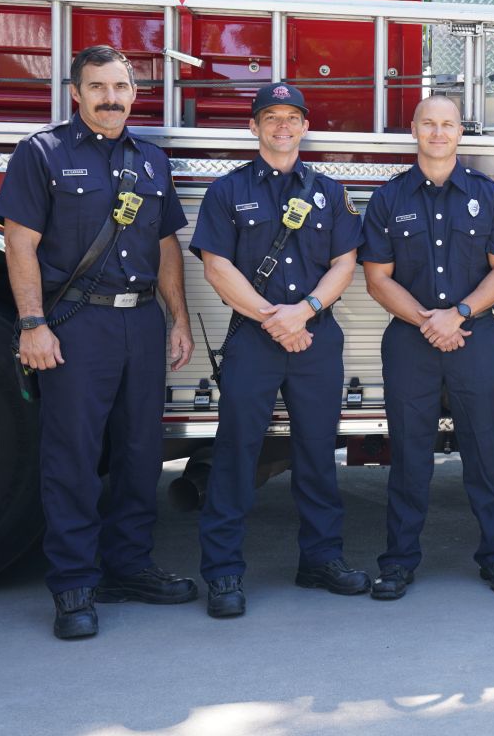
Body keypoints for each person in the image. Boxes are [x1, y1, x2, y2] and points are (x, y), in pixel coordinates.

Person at [0, 44, 196, 640]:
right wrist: (33, 324)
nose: (112, 98)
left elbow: (165, 248)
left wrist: (178, 319)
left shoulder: (152, 161)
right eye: (99, 87)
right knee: (74, 458)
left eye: (121, 87)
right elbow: (20, 242)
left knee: (140, 453)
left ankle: (128, 567)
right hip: (77, 325)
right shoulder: (43, 153)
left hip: (142, 323)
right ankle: (73, 582)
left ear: (135, 94)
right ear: (76, 94)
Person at [189, 82, 368, 617]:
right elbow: (216, 266)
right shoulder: (228, 191)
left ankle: (320, 560)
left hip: (316, 335)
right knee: (236, 452)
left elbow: (345, 261)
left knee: (318, 453)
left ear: (305, 126)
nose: (282, 126)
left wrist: (304, 311)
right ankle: (222, 573)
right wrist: (274, 318)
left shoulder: (330, 192)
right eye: (271, 118)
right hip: (255, 336)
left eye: (292, 117)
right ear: (254, 127)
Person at [360, 95, 494, 598]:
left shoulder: (488, 194)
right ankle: (399, 561)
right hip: (411, 340)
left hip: (474, 335)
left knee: (483, 449)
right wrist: (429, 321)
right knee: (409, 454)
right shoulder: (389, 199)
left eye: (447, 124)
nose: (437, 132)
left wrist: (459, 315)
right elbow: (376, 278)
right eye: (428, 123)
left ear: (460, 133)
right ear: (414, 129)